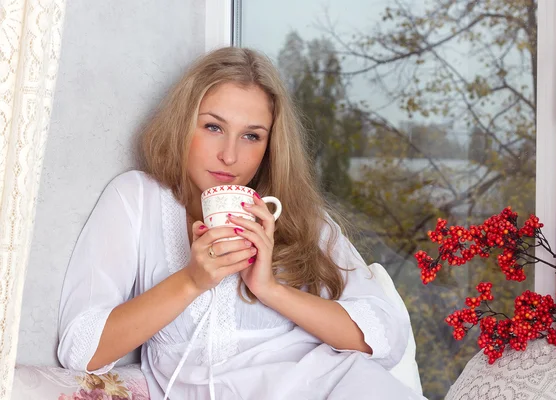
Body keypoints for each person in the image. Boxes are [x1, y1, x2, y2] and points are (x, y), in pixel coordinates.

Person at [57, 47, 425, 400]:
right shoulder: (138, 199)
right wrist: (191, 281)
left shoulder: (296, 216)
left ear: (270, 146)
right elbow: (82, 349)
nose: (230, 155)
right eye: (213, 127)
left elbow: (382, 337)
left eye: (252, 136)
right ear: (182, 123)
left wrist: (268, 289)